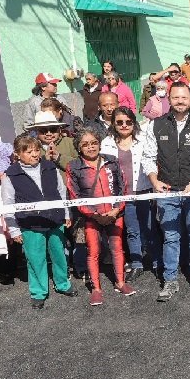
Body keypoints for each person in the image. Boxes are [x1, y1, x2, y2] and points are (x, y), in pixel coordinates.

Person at [144, 82, 190, 301]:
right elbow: (149, 157)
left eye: (184, 97)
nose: (180, 101)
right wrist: (154, 180)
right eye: (175, 98)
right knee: (171, 237)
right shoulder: (156, 125)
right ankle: (170, 280)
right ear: (168, 99)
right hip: (167, 190)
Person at [1, 135, 76, 309]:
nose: (34, 154)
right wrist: (14, 230)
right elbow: (8, 203)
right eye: (28, 151)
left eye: (36, 150)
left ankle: (63, 284)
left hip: (55, 220)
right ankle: (39, 292)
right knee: (35, 259)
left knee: (59, 255)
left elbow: (61, 191)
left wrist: (66, 214)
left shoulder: (50, 167)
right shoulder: (11, 174)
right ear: (18, 154)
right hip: (30, 224)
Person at [65, 126, 134, 305]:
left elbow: (123, 187)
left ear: (100, 144)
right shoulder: (73, 166)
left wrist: (117, 209)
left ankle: (120, 282)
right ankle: (96, 288)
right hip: (91, 217)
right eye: (85, 144)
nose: (91, 147)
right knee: (93, 252)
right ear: (79, 147)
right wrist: (94, 214)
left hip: (114, 213)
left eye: (94, 143)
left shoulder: (112, 161)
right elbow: (75, 195)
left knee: (117, 249)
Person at [101, 107, 157, 280]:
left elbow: (153, 163)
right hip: (124, 194)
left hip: (144, 190)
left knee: (149, 228)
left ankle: (157, 261)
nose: (124, 125)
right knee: (132, 230)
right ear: (113, 124)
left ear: (134, 122)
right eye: (119, 122)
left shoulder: (144, 140)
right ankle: (137, 263)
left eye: (128, 122)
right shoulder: (106, 143)